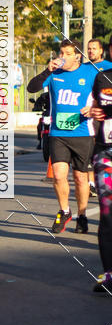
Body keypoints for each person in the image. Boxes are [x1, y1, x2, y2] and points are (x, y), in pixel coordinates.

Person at [27, 40, 98, 234]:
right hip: (58, 133)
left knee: (80, 178)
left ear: (77, 56)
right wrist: (47, 70)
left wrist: (93, 108)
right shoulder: (54, 73)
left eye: (67, 53)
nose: (63, 57)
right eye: (61, 53)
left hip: (82, 133)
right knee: (58, 176)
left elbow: (106, 96)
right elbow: (31, 88)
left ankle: (82, 215)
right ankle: (65, 210)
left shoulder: (90, 73)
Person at [83, 37, 112, 293]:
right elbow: (94, 106)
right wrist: (92, 111)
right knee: (107, 213)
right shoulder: (102, 78)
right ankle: (109, 274)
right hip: (106, 153)